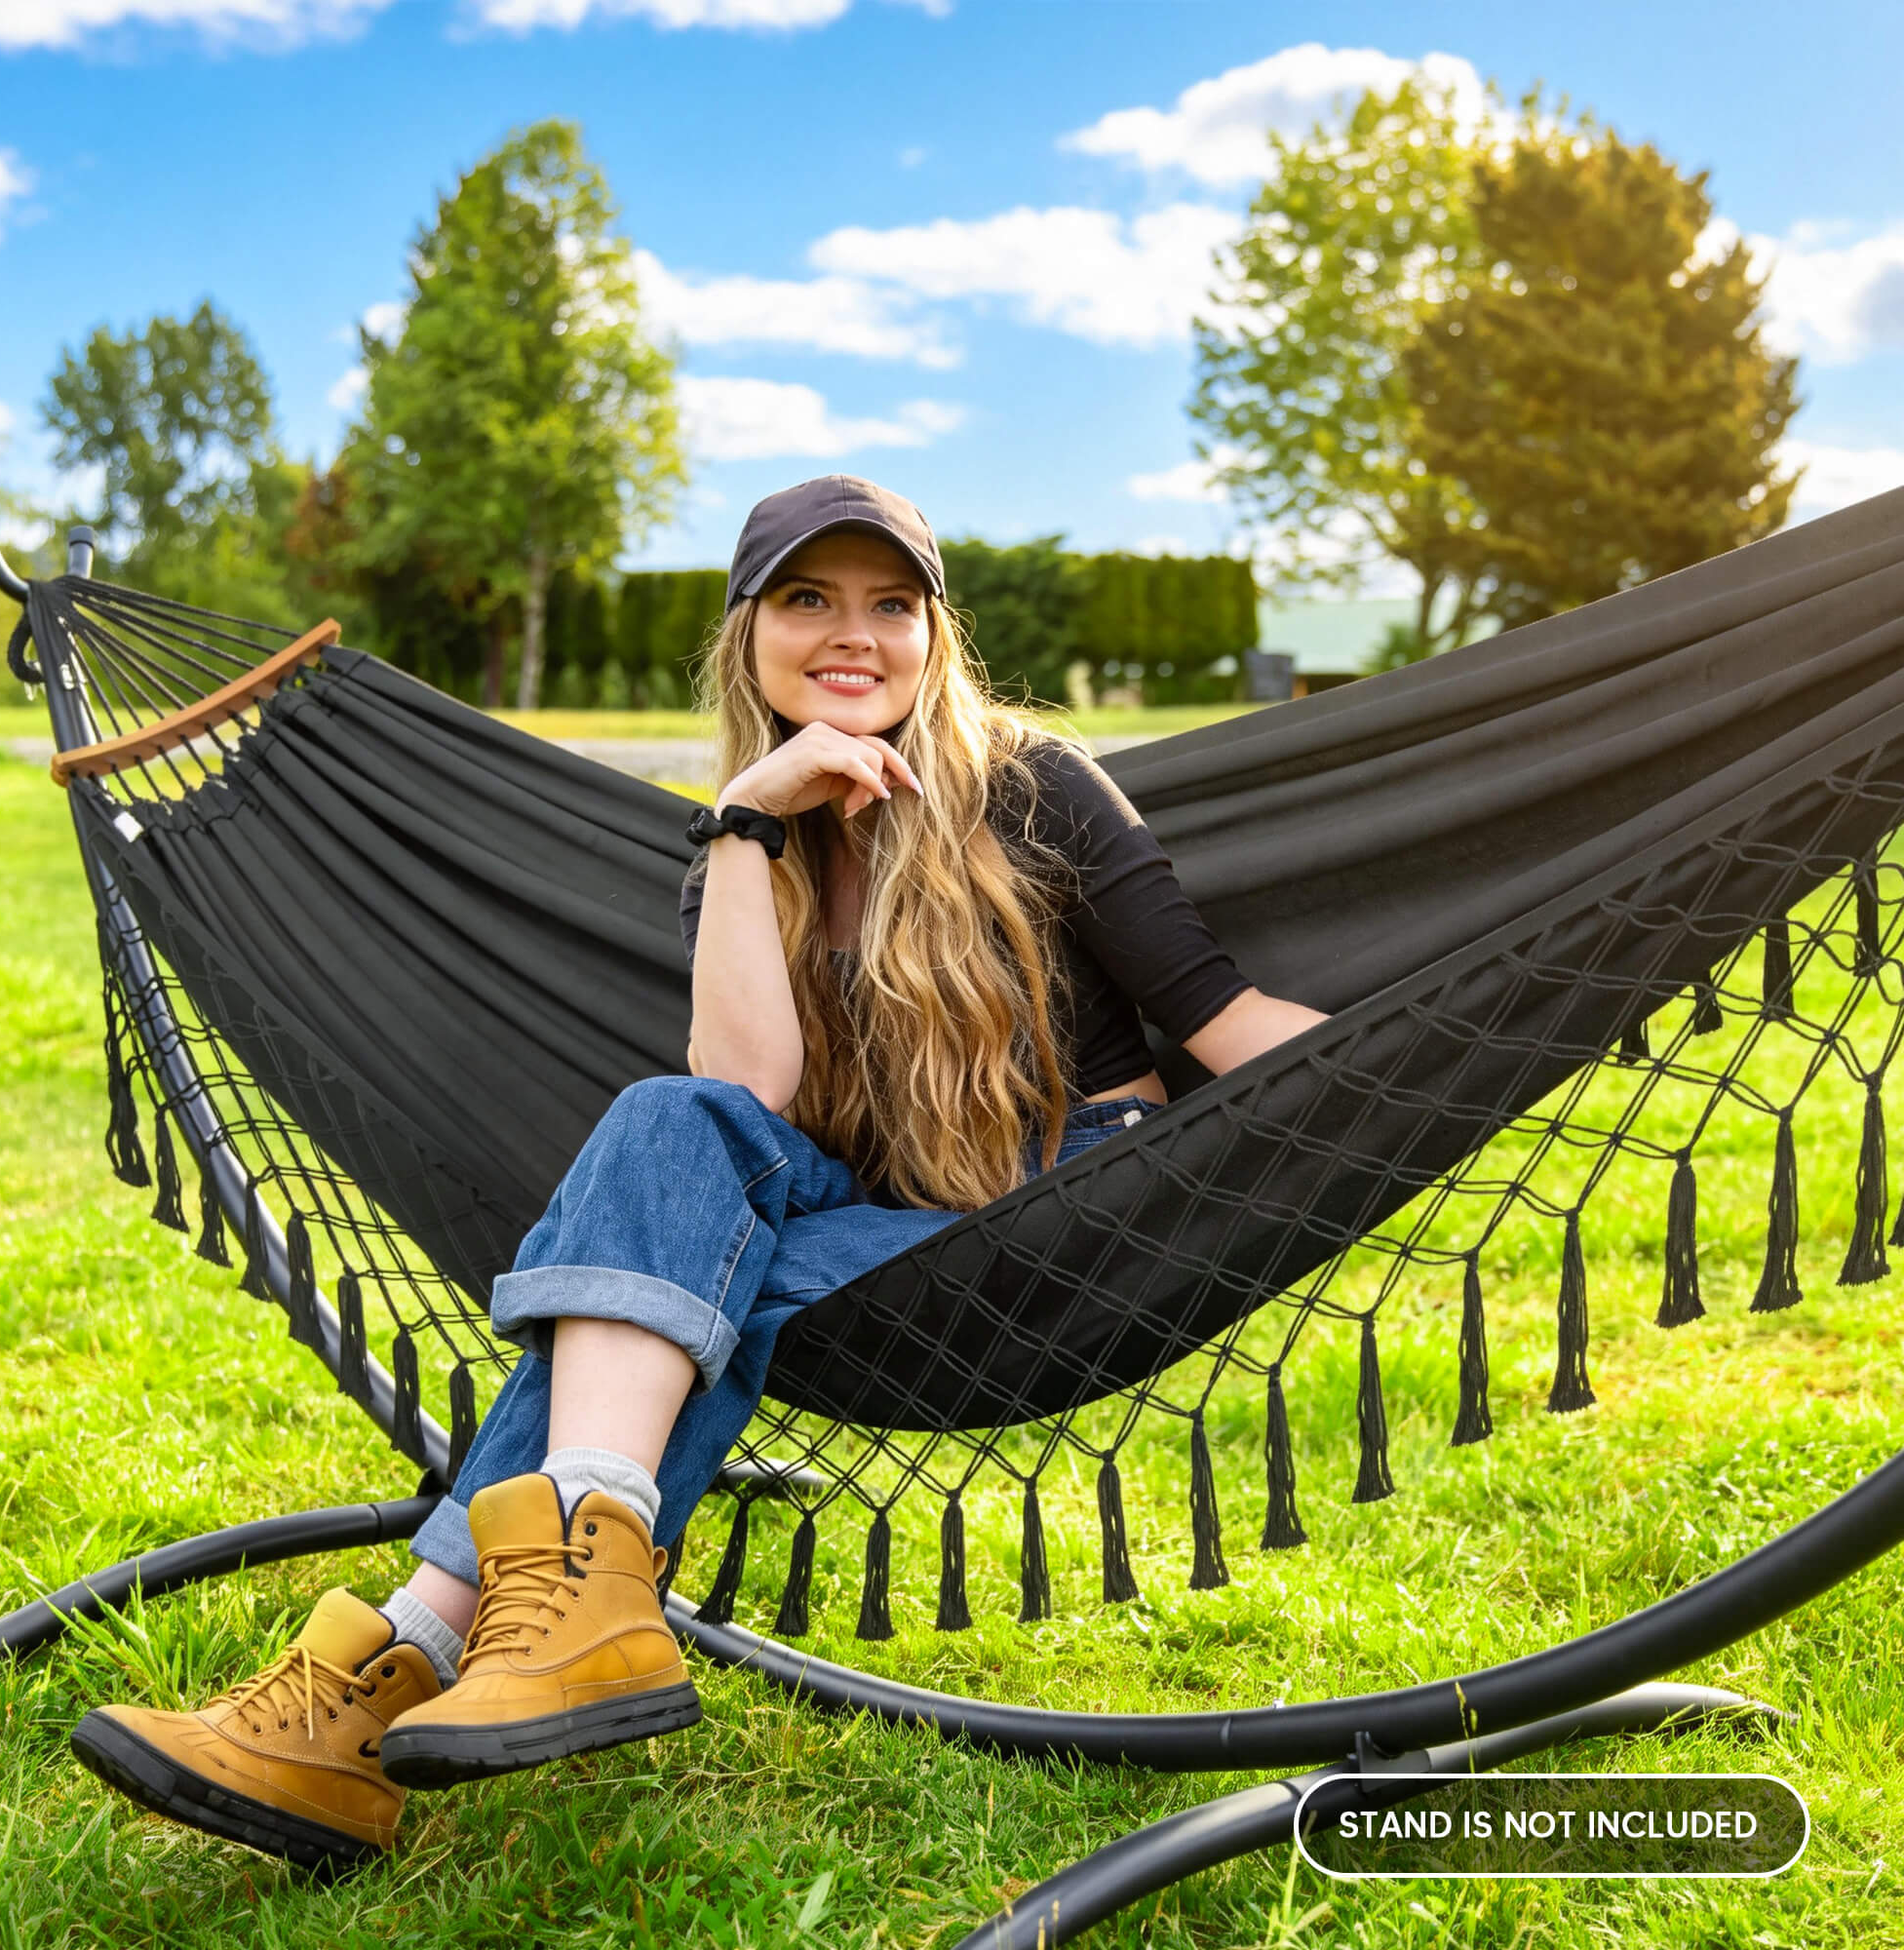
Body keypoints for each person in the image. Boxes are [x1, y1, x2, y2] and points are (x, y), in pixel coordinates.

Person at [68, 475, 1328, 1871]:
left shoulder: (1032, 790)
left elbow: (1221, 1019)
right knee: (672, 1130)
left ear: (936, 634)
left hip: (1078, 1203)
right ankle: (583, 1568)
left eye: (891, 605)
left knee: (670, 1296)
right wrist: (744, 822)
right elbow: (746, 1094)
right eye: (808, 599)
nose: (852, 635)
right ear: (748, 632)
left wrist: (1449, 1047)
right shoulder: (740, 851)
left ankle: (389, 1667)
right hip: (874, 1221)